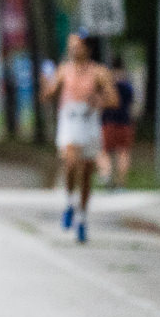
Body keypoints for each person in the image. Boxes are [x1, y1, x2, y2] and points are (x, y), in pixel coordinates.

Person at [42, 33, 118, 243]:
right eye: (71, 46)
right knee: (70, 161)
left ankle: (82, 217)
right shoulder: (63, 70)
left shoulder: (99, 72)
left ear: (87, 48)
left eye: (78, 46)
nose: (74, 49)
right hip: (69, 119)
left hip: (89, 121)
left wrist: (98, 99)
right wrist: (44, 83)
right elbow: (48, 94)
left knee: (86, 171)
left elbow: (113, 99)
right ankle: (69, 202)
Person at [97, 57, 136, 188]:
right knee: (123, 152)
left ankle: (106, 175)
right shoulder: (127, 84)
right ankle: (121, 183)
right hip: (124, 121)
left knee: (104, 151)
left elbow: (101, 101)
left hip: (108, 121)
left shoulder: (108, 83)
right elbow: (131, 103)